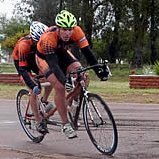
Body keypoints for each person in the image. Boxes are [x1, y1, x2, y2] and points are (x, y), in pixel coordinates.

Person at [36, 10, 109, 139]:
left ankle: (70, 103)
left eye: (70, 29)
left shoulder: (77, 31)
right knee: (60, 86)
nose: (67, 33)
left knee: (83, 76)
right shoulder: (48, 38)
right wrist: (64, 80)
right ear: (58, 28)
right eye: (64, 29)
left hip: (62, 53)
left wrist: (99, 72)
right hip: (45, 58)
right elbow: (53, 65)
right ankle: (65, 124)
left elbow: (88, 53)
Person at [13, 21, 53, 134]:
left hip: (35, 58)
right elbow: (23, 69)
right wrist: (32, 85)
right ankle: (38, 121)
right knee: (34, 90)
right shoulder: (24, 45)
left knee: (49, 76)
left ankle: (44, 100)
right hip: (21, 62)